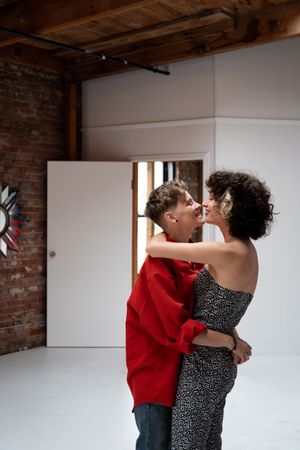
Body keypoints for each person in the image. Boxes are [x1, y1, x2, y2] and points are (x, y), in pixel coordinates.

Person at [146, 171, 274, 450]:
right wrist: (233, 340)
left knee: (187, 446)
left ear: (229, 206)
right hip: (218, 364)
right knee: (208, 444)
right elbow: (222, 311)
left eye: (214, 198)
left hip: (204, 366)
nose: (206, 203)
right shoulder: (243, 250)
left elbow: (153, 248)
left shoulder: (227, 252)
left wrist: (163, 222)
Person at [126, 180, 252, 450]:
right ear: (171, 217)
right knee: (155, 444)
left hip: (185, 367)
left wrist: (232, 334)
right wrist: (231, 342)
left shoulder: (191, 254)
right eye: (188, 202)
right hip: (156, 374)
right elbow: (179, 330)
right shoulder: (158, 268)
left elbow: (206, 308)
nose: (199, 205)